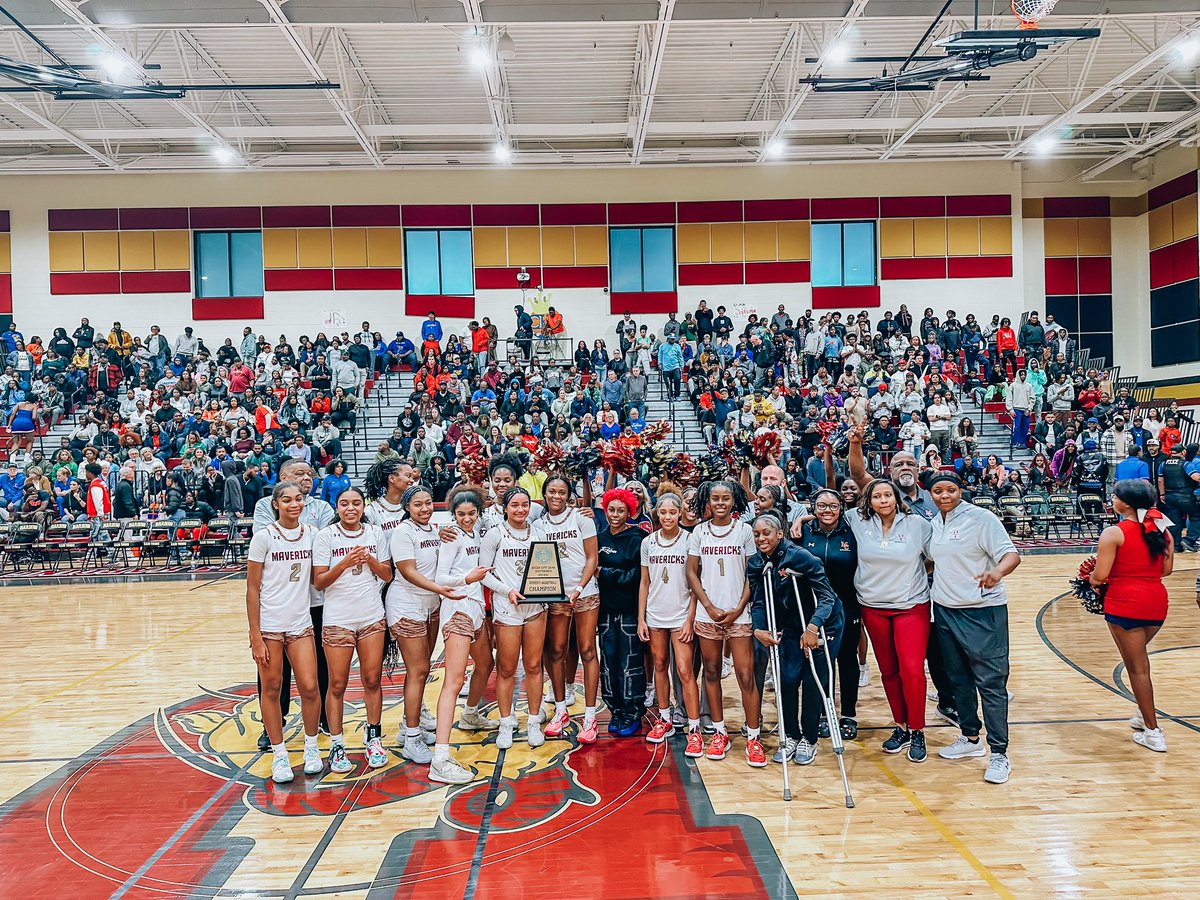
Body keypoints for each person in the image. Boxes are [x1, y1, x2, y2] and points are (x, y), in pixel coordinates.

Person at [927, 473, 1022, 785]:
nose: (944, 495)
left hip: (983, 612)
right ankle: (970, 739)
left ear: (960, 491)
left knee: (991, 683)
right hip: (944, 611)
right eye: (938, 490)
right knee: (958, 680)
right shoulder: (935, 523)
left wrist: (996, 572)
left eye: (950, 490)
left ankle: (999, 753)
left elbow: (1012, 554)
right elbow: (934, 561)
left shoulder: (982, 518)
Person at [845, 467, 934, 762]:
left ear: (896, 498)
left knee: (911, 669)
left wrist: (914, 577)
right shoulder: (856, 521)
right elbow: (826, 514)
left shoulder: (917, 524)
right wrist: (803, 519)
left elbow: (935, 557)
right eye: (877, 496)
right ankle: (901, 727)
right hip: (872, 607)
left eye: (887, 495)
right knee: (888, 671)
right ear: (868, 501)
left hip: (910, 607)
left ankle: (918, 729)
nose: (883, 500)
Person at [748, 513, 844, 766]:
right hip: (790, 624)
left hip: (823, 624)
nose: (761, 539)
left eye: (766, 533)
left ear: (780, 534)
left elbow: (827, 597)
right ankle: (791, 735)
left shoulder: (800, 557)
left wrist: (813, 628)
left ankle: (809, 739)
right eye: (757, 534)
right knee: (787, 679)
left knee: (813, 681)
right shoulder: (756, 563)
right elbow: (758, 601)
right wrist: (759, 629)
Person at [245, 481, 323, 784]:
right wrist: (255, 635)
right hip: (269, 626)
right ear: (276, 504)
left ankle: (311, 747)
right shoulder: (264, 538)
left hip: (300, 623)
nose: (294, 504)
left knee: (310, 687)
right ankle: (279, 754)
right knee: (273, 689)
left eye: (299, 499)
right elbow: (252, 590)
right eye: (287, 500)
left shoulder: (314, 536)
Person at [1090, 479, 1175, 752]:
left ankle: (1153, 731)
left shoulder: (1113, 532)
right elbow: (1166, 571)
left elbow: (1101, 575)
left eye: (1114, 496)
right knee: (1134, 662)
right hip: (1156, 602)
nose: (1112, 500)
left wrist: (1090, 578)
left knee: (1137, 668)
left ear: (1125, 503)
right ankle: (1143, 713)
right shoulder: (1163, 530)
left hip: (1125, 603)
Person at [311, 488, 392, 773]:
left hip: (371, 617)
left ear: (363, 506)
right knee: (337, 684)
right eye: (344, 503)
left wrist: (369, 560)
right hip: (338, 620)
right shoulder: (326, 536)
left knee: (372, 680)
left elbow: (388, 574)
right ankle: (337, 743)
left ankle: (374, 738)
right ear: (337, 506)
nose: (350, 508)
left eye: (356, 503)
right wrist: (345, 562)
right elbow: (319, 582)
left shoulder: (375, 533)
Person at [685, 479, 764, 766]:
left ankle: (753, 736)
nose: (720, 503)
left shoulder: (743, 531)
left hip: (738, 614)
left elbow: (751, 574)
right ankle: (719, 732)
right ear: (707, 501)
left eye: (725, 498)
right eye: (715, 498)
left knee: (746, 676)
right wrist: (707, 604)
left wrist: (738, 607)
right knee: (711, 672)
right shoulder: (698, 532)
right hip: (709, 615)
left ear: (734, 501)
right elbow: (691, 573)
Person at [389, 484, 462, 762]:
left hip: (430, 605)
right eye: (418, 504)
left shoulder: (434, 529)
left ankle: (410, 725)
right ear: (407, 507)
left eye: (428, 503)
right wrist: (440, 589)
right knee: (417, 671)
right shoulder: (402, 532)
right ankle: (411, 738)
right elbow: (407, 571)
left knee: (422, 669)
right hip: (406, 605)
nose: (424, 508)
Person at [429, 490, 494, 783]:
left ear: (478, 513)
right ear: (453, 515)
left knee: (486, 664)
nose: (466, 518)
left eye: (471, 513)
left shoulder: (479, 535)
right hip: (459, 609)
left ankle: (470, 714)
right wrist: (467, 579)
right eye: (460, 514)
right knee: (454, 681)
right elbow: (440, 578)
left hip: (477, 608)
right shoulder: (452, 537)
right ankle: (440, 759)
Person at [480, 487, 549, 749]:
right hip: (507, 608)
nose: (520, 510)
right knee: (506, 668)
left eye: (525, 505)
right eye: (515, 505)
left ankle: (533, 720)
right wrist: (506, 590)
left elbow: (548, 569)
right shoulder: (495, 535)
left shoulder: (539, 534)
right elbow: (483, 573)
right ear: (505, 507)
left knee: (533, 666)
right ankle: (506, 722)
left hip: (536, 608)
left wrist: (545, 591)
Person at [638, 491, 702, 755]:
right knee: (660, 666)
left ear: (679, 513)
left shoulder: (689, 540)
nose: (667, 517)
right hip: (655, 615)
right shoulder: (648, 542)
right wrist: (641, 618)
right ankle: (665, 718)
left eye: (672, 512)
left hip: (680, 614)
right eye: (662, 512)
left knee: (685, 671)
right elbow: (645, 582)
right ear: (657, 514)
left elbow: (697, 582)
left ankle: (694, 727)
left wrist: (690, 619)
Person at [539, 475, 601, 744]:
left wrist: (578, 588)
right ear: (544, 494)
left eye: (562, 492)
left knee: (587, 649)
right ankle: (561, 710)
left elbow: (592, 557)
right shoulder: (538, 525)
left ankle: (590, 717)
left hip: (585, 592)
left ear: (569, 495)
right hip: (555, 595)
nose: (556, 496)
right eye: (551, 491)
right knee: (556, 650)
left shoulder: (582, 518)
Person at [798, 488, 862, 740]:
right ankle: (823, 712)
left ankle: (848, 714)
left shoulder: (852, 533)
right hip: (812, 608)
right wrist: (800, 520)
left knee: (847, 659)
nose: (827, 510)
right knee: (819, 661)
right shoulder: (803, 532)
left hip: (846, 605)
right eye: (822, 506)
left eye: (833, 506)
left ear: (841, 508)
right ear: (813, 508)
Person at [596, 487, 648, 736]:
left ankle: (632, 711)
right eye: (611, 510)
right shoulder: (600, 537)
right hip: (605, 612)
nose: (615, 515)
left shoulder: (637, 538)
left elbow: (635, 577)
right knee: (609, 663)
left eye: (621, 510)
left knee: (630, 664)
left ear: (630, 511)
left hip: (629, 612)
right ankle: (616, 710)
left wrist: (604, 573)